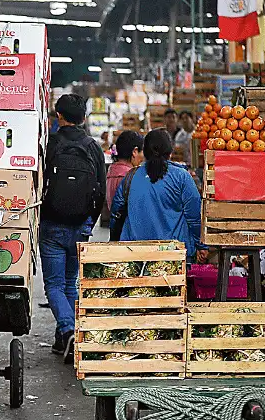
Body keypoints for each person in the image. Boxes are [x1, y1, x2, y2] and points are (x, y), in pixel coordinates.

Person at [39, 94, 106, 360]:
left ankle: (68, 331)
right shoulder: (93, 147)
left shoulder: (51, 144)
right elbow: (100, 191)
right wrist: (89, 220)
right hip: (80, 225)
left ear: (59, 117)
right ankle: (66, 338)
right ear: (84, 118)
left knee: (54, 286)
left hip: (52, 223)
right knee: (70, 283)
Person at [111, 129, 206, 264]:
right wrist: (201, 246)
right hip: (173, 256)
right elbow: (194, 217)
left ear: (145, 152)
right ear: (170, 152)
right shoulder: (182, 177)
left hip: (134, 255)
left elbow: (116, 212)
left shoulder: (131, 176)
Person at [106, 131, 144, 214]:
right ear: (135, 151)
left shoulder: (111, 172)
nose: (142, 157)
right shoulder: (131, 177)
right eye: (142, 152)